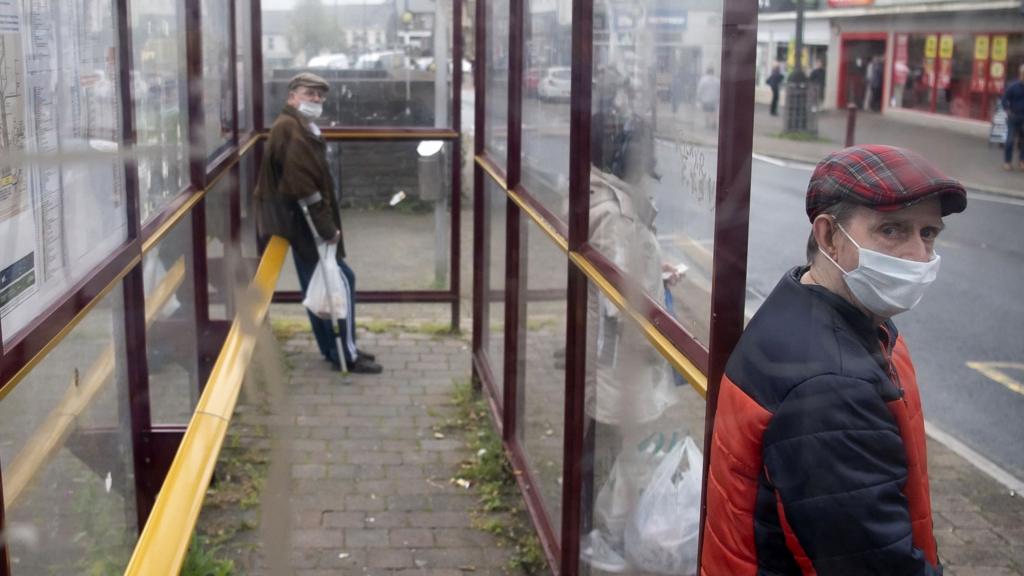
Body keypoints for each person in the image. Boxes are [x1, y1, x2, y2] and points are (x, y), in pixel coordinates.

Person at [701, 144, 967, 574]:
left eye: (928, 233)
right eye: (892, 230)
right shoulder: (831, 386)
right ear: (829, 237)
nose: (919, 256)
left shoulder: (802, 306)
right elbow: (874, 564)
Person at [254, 72, 381, 374]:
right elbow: (303, 187)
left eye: (320, 95)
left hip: (295, 223)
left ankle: (332, 349)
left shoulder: (297, 126)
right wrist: (327, 229)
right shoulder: (292, 129)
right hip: (304, 224)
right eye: (309, 94)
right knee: (341, 282)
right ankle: (345, 354)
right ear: (292, 97)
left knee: (320, 286)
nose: (316, 100)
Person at [1001, 63, 1024, 171]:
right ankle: (1007, 162)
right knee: (1010, 140)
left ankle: (1022, 161)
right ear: (1020, 75)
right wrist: (1008, 110)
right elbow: (1004, 99)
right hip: (1013, 117)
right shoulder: (1013, 87)